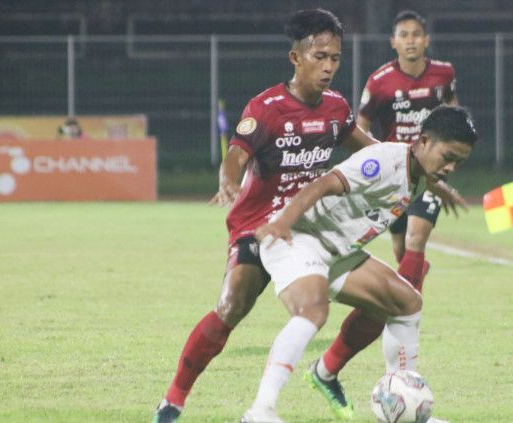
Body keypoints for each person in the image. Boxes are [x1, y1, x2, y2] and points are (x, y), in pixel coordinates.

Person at [152, 9, 462, 423]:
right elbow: (235, 155)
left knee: (389, 301)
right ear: (296, 58)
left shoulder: (335, 108)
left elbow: (371, 149)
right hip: (257, 226)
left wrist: (430, 176)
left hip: (310, 229)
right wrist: (228, 181)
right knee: (231, 308)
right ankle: (173, 401)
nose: (330, 66)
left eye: (335, 57)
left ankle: (337, 374)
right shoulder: (267, 108)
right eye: (320, 57)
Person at [241, 105, 478, 423]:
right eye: (447, 157)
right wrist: (284, 222)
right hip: (299, 237)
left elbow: (424, 175)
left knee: (407, 302)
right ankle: (261, 411)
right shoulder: (383, 161)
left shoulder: (420, 173)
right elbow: (323, 184)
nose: (450, 167)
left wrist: (441, 189)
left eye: (458, 163)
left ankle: (404, 401)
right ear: (423, 141)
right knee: (312, 313)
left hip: (339, 253)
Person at [303, 12, 464, 419]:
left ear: (426, 39)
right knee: (394, 294)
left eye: (417, 34)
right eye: (403, 35)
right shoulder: (380, 81)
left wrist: (441, 173)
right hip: (390, 180)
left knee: (412, 254)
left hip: (422, 182)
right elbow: (361, 125)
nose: (411, 41)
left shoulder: (444, 73)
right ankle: (333, 369)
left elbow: (455, 121)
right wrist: (375, 163)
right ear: (394, 41)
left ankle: (396, 375)